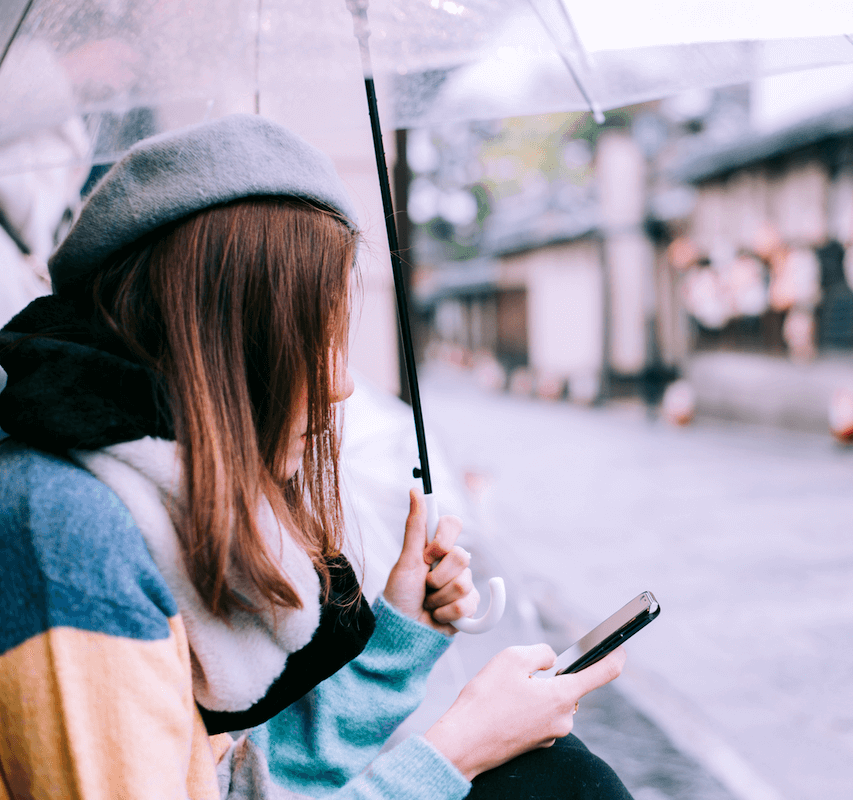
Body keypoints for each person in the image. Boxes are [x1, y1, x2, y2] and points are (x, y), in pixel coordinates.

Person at [0, 114, 630, 800]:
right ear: (218, 340)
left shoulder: (131, 496)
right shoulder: (62, 530)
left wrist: (401, 634)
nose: (341, 383)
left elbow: (238, 786)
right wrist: (458, 748)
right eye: (313, 340)